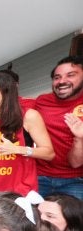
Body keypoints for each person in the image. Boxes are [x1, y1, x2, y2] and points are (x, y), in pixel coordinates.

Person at [0, 71, 55, 196]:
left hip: (17, 195)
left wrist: (17, 149)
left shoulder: (28, 116)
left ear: (7, 92)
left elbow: (49, 153)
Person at [35, 55, 83, 199]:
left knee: (71, 221)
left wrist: (79, 138)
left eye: (71, 75)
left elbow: (75, 164)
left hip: (75, 180)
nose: (62, 81)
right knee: (33, 221)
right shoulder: (42, 101)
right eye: (57, 77)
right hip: (39, 176)